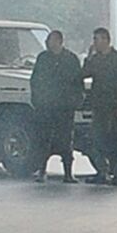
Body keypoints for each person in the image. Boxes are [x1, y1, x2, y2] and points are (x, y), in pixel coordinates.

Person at [28, 30, 84, 184]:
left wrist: (76, 101)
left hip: (65, 108)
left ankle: (68, 173)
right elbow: (35, 80)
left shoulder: (71, 59)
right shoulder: (43, 58)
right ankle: (41, 170)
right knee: (43, 139)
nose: (48, 43)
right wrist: (37, 100)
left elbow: (77, 82)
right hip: (45, 107)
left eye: (51, 40)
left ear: (59, 41)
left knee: (66, 141)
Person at [83, 27, 117, 187]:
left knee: (114, 142)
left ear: (105, 40)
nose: (95, 43)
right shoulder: (95, 59)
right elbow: (84, 73)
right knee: (97, 140)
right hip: (99, 106)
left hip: (113, 107)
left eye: (97, 39)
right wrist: (89, 57)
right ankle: (102, 172)